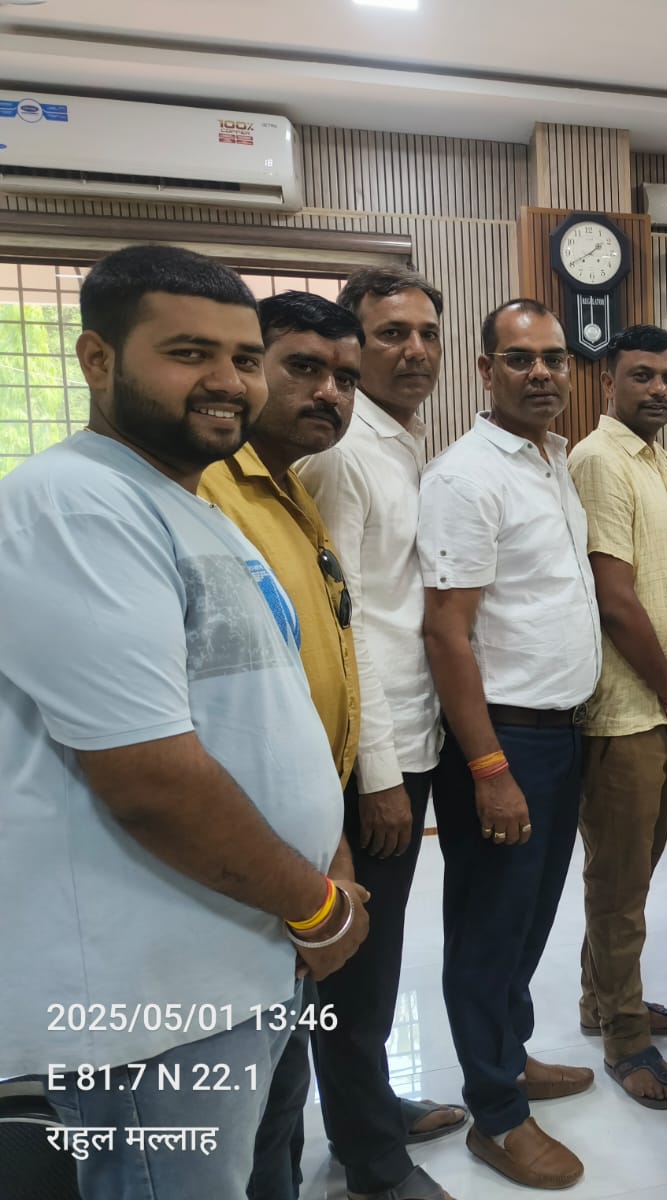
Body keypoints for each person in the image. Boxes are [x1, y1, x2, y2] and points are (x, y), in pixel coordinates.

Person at [0, 245, 366, 1199]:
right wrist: (317, 905)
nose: (228, 382)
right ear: (96, 359)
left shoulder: (189, 504)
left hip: (244, 953)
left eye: (244, 358)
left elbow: (266, 715)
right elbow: (149, 778)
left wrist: (324, 862)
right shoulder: (75, 504)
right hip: (150, 999)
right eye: (188, 352)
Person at [419, 299, 601, 1189]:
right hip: (504, 742)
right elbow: (446, 633)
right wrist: (490, 769)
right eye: (520, 359)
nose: (541, 374)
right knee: (489, 931)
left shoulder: (552, 458)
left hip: (560, 733)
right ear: (486, 370)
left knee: (528, 919)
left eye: (554, 359)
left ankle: (511, 1056)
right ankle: (495, 1115)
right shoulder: (466, 476)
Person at [296, 268, 461, 1200]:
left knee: (381, 948)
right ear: (353, 347)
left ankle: (371, 1108)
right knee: (354, 960)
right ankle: (371, 1160)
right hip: (372, 753)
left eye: (427, 332)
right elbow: (341, 625)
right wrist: (380, 778)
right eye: (391, 333)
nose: (415, 350)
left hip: (410, 733)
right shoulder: (341, 453)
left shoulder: (399, 441)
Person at [568, 324, 667, 1111]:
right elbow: (614, 599)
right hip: (626, 710)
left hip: (656, 708)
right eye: (642, 375)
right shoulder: (600, 460)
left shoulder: (654, 461)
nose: (658, 389)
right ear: (607, 381)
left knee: (635, 873)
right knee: (619, 884)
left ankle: (603, 1000)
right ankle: (624, 1038)